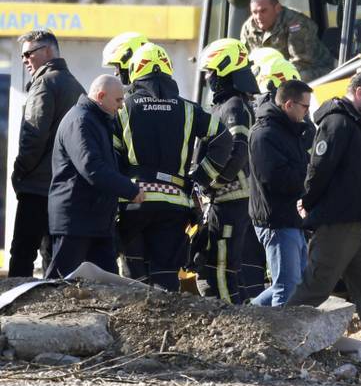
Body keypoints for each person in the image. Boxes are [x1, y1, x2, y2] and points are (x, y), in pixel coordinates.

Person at [286, 71, 361, 356]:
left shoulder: (356, 123)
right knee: (316, 287)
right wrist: (308, 200)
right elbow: (319, 168)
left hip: (357, 223)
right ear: (360, 92)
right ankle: (279, 337)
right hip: (338, 221)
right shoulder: (338, 122)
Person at [114, 43, 232, 291]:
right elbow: (223, 138)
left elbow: (110, 155)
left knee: (134, 281)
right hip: (174, 205)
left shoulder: (122, 107)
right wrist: (200, 177)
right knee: (166, 279)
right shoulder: (188, 108)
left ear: (135, 71)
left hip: (134, 202)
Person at [45, 76, 145, 279]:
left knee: (108, 285)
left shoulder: (96, 120)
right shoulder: (80, 121)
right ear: (101, 96)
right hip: (76, 222)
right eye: (118, 100)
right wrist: (130, 189)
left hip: (95, 221)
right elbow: (92, 167)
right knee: (58, 285)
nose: (121, 106)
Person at [8, 29, 85, 277]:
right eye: (23, 56)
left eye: (29, 53)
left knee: (22, 254)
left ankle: (14, 312)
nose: (25, 60)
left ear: (48, 51)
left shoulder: (44, 84)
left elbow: (34, 136)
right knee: (54, 258)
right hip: (65, 190)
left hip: (37, 187)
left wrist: (19, 171)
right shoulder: (76, 86)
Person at [195, 38, 259, 304]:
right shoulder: (224, 105)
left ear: (224, 69)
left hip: (230, 199)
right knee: (215, 262)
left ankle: (228, 318)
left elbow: (238, 151)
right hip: (222, 200)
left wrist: (214, 182)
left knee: (222, 265)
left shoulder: (233, 106)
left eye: (210, 72)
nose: (208, 78)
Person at [249, 79, 314, 306]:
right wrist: (310, 175)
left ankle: (247, 317)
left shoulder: (290, 131)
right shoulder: (264, 135)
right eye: (305, 107)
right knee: (287, 287)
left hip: (290, 219)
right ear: (288, 105)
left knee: (296, 284)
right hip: (276, 221)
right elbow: (274, 179)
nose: (307, 113)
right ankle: (280, 340)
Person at [240, 0, 334, 82]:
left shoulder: (296, 23)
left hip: (315, 70)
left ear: (277, 8)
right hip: (270, 73)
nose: (258, 17)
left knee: (297, 78)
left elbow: (300, 62)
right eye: (254, 12)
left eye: (263, 11)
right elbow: (244, 60)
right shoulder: (248, 28)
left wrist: (271, 77)